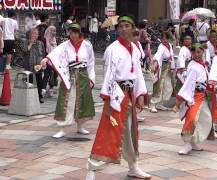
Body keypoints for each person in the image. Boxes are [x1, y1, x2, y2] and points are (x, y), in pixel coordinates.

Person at [87, 15, 151, 179]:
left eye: (126, 26)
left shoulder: (135, 49)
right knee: (109, 132)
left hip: (129, 94)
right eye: (120, 26)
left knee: (130, 132)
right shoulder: (112, 49)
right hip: (116, 97)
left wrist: (140, 95)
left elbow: (138, 74)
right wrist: (107, 101)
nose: (123, 29)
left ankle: (133, 166)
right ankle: (92, 169)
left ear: (132, 28)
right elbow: (108, 76)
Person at [40, 23, 95, 138]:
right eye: (70, 32)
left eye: (75, 32)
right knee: (65, 101)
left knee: (83, 101)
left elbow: (91, 62)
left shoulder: (87, 45)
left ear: (79, 33)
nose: (72, 35)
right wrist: (46, 58)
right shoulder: (65, 45)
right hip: (69, 75)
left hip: (83, 75)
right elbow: (55, 53)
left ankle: (80, 126)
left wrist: (91, 78)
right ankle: (62, 129)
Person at [173, 43, 212, 155]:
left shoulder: (202, 65)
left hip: (202, 95)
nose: (196, 54)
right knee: (192, 118)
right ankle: (187, 143)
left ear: (202, 52)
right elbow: (188, 84)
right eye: (194, 52)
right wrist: (179, 100)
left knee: (205, 119)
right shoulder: (193, 66)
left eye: (199, 52)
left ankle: (193, 142)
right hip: (193, 96)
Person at [150, 31, 175, 113]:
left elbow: (171, 58)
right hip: (161, 68)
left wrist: (172, 68)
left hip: (167, 68)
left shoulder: (170, 46)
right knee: (158, 86)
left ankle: (160, 104)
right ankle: (153, 104)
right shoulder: (161, 47)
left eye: (166, 38)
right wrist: (155, 63)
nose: (164, 40)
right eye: (162, 38)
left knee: (168, 86)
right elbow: (158, 55)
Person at [23, 28, 45, 103]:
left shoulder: (40, 43)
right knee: (29, 81)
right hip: (29, 65)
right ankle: (29, 97)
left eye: (36, 33)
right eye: (33, 33)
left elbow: (43, 54)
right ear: (29, 35)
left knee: (39, 82)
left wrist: (43, 62)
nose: (35, 35)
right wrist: (31, 43)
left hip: (38, 65)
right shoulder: (26, 42)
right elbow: (25, 51)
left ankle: (39, 97)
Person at [43, 26, 58, 97]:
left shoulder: (54, 39)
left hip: (54, 60)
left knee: (53, 75)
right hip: (47, 59)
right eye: (52, 31)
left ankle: (51, 89)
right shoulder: (45, 39)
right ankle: (42, 89)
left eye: (54, 31)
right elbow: (45, 51)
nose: (54, 32)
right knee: (46, 74)